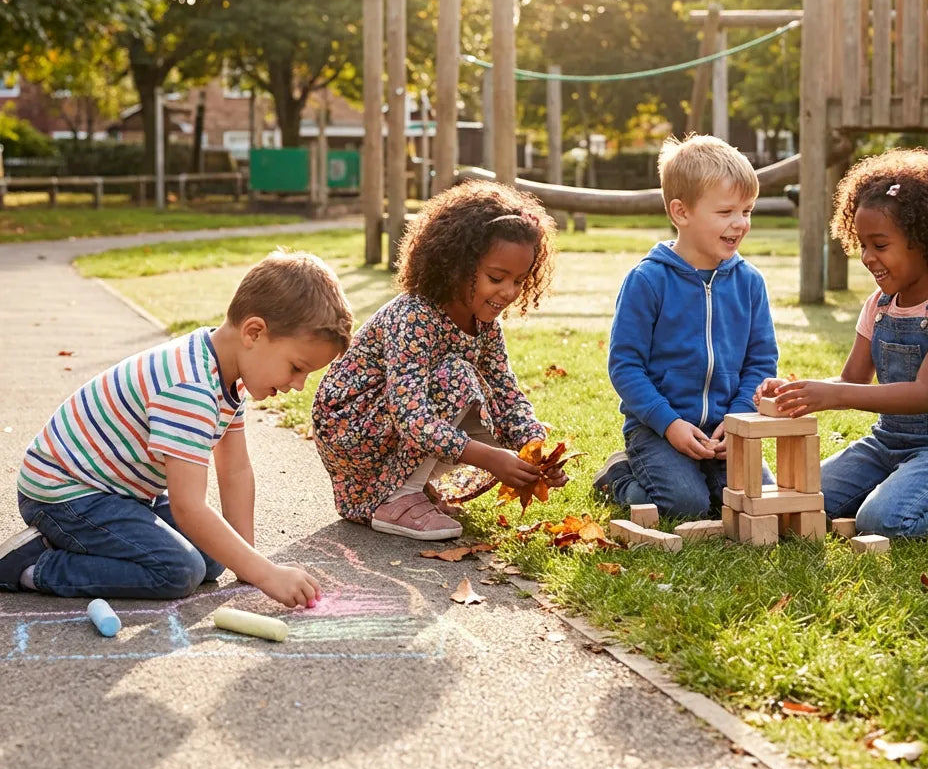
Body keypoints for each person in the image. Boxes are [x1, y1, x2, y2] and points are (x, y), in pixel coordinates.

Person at [0, 250, 352, 606]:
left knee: (214, 558)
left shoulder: (226, 371)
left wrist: (249, 564)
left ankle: (79, 541)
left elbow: (235, 469)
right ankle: (34, 564)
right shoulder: (190, 387)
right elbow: (188, 507)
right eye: (296, 367)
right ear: (254, 332)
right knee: (178, 570)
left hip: (117, 491)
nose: (298, 384)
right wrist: (266, 573)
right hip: (64, 493)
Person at [758, 148, 928, 538]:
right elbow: (851, 378)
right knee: (801, 499)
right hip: (888, 441)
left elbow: (923, 394)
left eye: (880, 245)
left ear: (923, 241)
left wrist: (836, 397)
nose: (868, 258)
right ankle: (895, 485)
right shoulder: (878, 306)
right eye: (863, 246)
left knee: (880, 521)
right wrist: (798, 390)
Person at [312, 180, 566, 541]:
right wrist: (491, 458)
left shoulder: (484, 324)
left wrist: (535, 450)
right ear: (455, 266)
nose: (508, 292)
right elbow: (410, 415)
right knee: (457, 376)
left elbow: (507, 394)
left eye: (519, 281)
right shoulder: (414, 316)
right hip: (352, 429)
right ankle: (396, 499)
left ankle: (407, 488)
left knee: (479, 390)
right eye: (497, 277)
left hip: (394, 427)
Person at [594, 134, 778, 518]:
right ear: (681, 212)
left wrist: (740, 417)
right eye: (726, 212)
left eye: (747, 211)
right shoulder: (647, 280)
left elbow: (761, 362)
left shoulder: (749, 282)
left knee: (760, 500)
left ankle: (703, 473)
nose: (740, 223)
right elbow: (625, 365)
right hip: (659, 428)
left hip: (725, 430)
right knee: (686, 505)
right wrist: (669, 423)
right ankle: (619, 477)